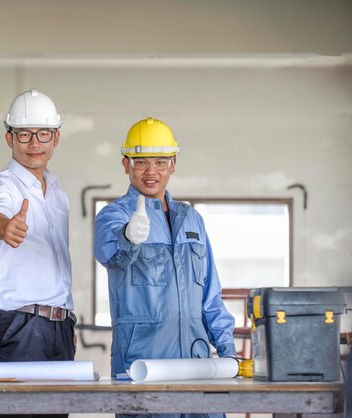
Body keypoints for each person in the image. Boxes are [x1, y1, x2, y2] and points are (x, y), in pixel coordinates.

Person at [94, 117, 236, 418]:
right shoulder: (114, 215)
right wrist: (128, 238)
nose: (151, 171)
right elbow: (109, 254)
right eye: (142, 162)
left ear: (173, 163)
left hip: (198, 365)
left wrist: (228, 351)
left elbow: (210, 296)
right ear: (126, 164)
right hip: (145, 365)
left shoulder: (192, 220)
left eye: (160, 161)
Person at [0, 89, 76, 418]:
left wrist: (65, 324)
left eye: (43, 133)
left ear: (56, 137)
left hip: (59, 328)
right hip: (18, 328)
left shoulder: (58, 194)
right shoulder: (1, 186)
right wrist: (5, 227)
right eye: (24, 134)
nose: (35, 143)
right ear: (9, 138)